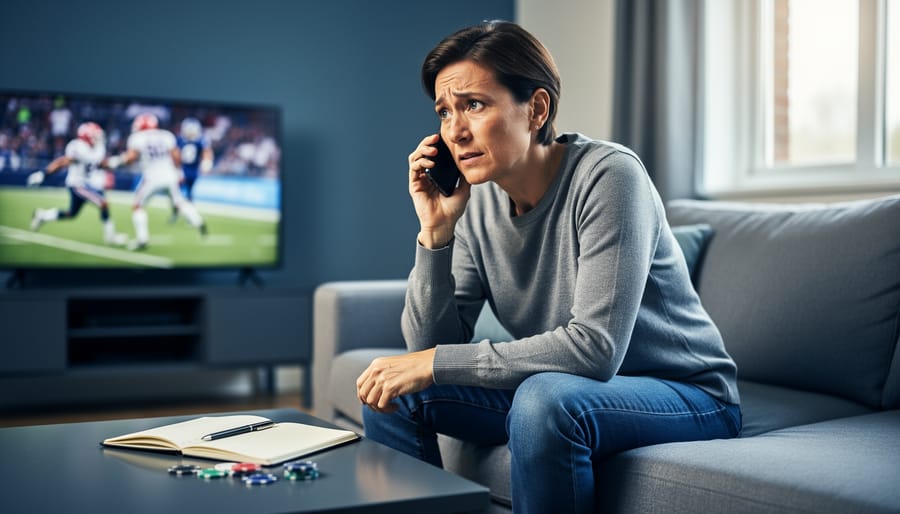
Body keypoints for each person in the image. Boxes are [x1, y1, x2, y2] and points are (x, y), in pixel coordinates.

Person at [355, 21, 741, 514]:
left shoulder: (609, 176)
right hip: (572, 387)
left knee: (542, 400)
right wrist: (436, 235)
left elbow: (595, 349)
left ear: (536, 109)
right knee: (389, 389)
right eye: (444, 111)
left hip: (687, 394)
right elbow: (426, 347)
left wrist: (434, 362)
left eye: (474, 104)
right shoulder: (476, 205)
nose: (454, 130)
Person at [105, 113, 207, 251]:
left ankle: (142, 239)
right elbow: (176, 156)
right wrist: (178, 172)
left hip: (152, 177)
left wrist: (114, 162)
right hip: (170, 176)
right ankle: (197, 220)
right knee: (179, 202)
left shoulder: (137, 138)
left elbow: (130, 158)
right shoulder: (166, 135)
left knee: (137, 206)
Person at [28, 121, 127, 246]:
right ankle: (111, 237)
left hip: (88, 184)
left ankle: (42, 215)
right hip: (77, 185)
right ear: (86, 137)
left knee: (71, 214)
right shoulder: (77, 147)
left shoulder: (99, 147)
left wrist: (115, 162)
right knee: (103, 203)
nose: (98, 139)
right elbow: (61, 162)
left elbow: (99, 164)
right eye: (95, 136)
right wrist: (43, 174)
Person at [170, 117, 213, 222]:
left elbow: (206, 152)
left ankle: (179, 214)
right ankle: (185, 215)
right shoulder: (198, 140)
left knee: (179, 193)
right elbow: (207, 153)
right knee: (185, 194)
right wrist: (206, 163)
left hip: (185, 170)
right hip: (188, 170)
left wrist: (206, 162)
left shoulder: (182, 140)